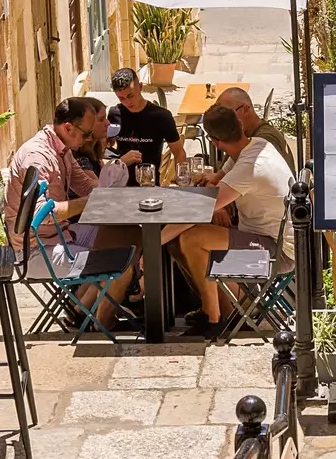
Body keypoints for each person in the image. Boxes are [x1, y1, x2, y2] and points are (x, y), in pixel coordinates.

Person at [2, 97, 137, 326]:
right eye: (86, 134)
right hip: (37, 250)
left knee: (131, 234)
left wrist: (115, 183)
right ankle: (103, 319)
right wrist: (92, 199)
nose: (89, 139)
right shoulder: (39, 157)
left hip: (60, 235)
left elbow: (87, 186)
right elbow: (40, 216)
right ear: (68, 127)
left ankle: (81, 309)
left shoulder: (62, 149)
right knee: (123, 264)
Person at [176, 101, 293, 338]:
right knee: (188, 238)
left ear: (214, 142)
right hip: (268, 238)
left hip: (276, 251)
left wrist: (154, 242)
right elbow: (218, 180)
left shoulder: (249, 165)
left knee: (191, 238)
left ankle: (213, 316)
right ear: (239, 124)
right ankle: (230, 311)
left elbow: (201, 208)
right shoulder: (255, 146)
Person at [107, 68, 187, 186]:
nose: (128, 102)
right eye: (121, 98)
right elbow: (105, 148)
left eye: (130, 95)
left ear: (140, 86)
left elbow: (179, 152)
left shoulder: (161, 116)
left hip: (150, 184)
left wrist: (180, 178)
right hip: (120, 184)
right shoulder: (115, 113)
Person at [213, 85, 295, 170]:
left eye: (226, 116)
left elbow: (237, 177)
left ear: (245, 109)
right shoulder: (242, 136)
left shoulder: (264, 141)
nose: (222, 122)